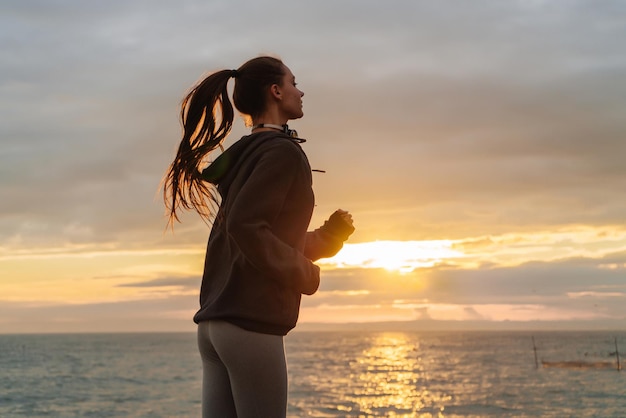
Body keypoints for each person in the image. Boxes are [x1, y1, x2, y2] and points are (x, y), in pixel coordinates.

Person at [162, 56, 355, 418]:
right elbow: (246, 227)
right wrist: (306, 275)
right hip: (249, 323)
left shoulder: (249, 154)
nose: (301, 91)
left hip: (215, 326)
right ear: (276, 91)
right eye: (294, 82)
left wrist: (330, 238)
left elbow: (264, 238)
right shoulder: (282, 152)